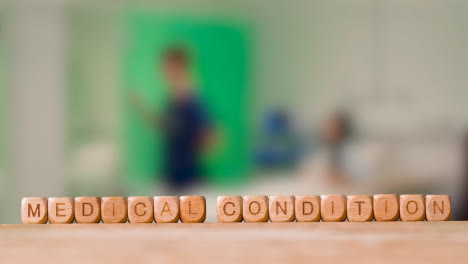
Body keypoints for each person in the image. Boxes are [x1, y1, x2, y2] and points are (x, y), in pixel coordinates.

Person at [131, 46, 214, 192]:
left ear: (178, 66)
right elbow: (167, 125)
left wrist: (193, 150)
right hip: (173, 176)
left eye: (166, 66)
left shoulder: (191, 98)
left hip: (188, 179)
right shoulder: (173, 98)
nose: (163, 70)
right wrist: (142, 109)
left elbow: (209, 136)